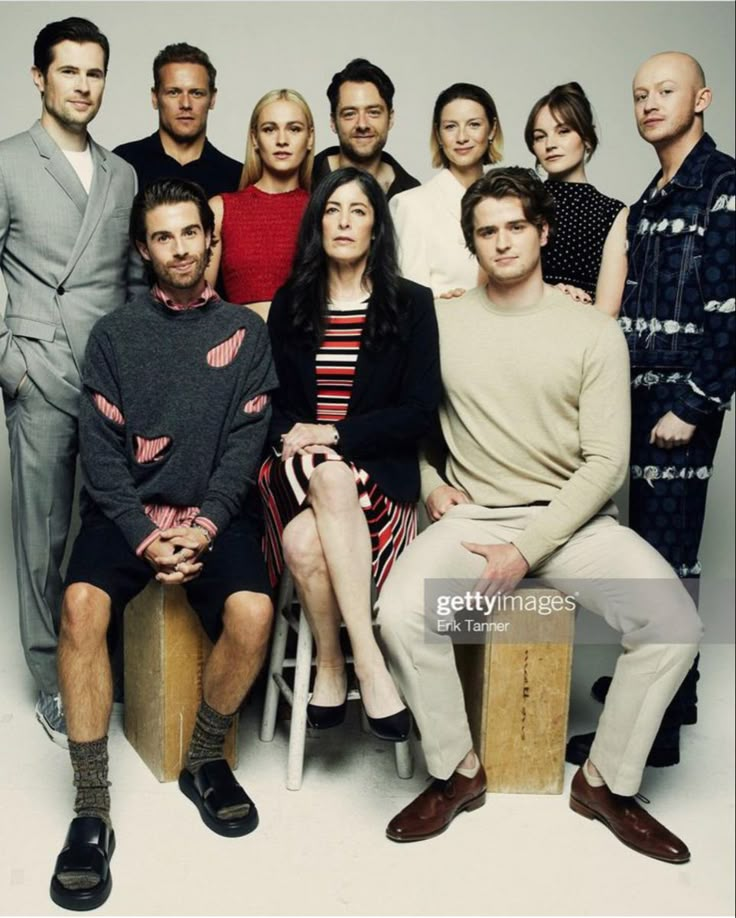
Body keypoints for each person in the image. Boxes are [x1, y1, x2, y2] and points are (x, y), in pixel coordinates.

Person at [377, 167, 702, 863]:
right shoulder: (442, 322)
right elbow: (410, 426)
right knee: (399, 615)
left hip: (572, 522)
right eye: (487, 231)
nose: (502, 242)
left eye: (515, 226)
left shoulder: (592, 332)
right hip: (472, 521)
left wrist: (527, 550)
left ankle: (605, 783)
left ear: (543, 231)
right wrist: (432, 483)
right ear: (472, 242)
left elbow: (606, 463)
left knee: (674, 622)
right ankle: (457, 770)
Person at [49, 178, 276, 911]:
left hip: (215, 513)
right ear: (144, 249)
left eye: (191, 233)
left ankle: (203, 761)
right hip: (129, 516)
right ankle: (91, 808)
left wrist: (206, 526)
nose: (181, 248)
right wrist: (147, 537)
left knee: (253, 614)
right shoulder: (114, 335)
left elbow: (244, 447)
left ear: (211, 239)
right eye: (164, 237)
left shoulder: (246, 330)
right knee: (81, 608)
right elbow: (102, 454)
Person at [567, 52, 735, 770]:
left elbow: (731, 309)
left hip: (678, 402)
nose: (649, 104)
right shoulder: (655, 194)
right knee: (664, 555)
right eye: (639, 95)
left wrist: (695, 405)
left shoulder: (723, 186)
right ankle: (682, 690)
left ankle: (655, 730)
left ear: (701, 98)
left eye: (664, 91)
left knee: (668, 559)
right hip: (635, 395)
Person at [0, 16, 143, 747]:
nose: (83, 86)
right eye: (69, 71)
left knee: (107, 527)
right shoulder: (9, 161)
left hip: (110, 378)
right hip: (39, 370)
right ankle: (53, 681)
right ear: (39, 77)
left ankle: (99, 665)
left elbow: (133, 277)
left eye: (94, 73)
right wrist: (9, 360)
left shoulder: (122, 174)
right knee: (42, 537)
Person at [258, 167, 440, 740]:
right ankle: (371, 660)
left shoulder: (412, 304)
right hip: (295, 470)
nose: (343, 222)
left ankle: (331, 663)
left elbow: (419, 411)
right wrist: (302, 436)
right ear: (317, 224)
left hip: (376, 481)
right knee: (328, 479)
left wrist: (333, 436)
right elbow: (273, 405)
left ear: (376, 229)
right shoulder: (290, 303)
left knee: (303, 539)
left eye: (357, 211)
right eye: (332, 210)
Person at [205, 89, 314, 321]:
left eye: (294, 129)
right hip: (239, 348)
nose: (282, 140)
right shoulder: (221, 209)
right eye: (269, 129)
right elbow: (197, 303)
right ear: (255, 139)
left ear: (310, 138)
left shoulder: (324, 210)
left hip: (306, 349)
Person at [390, 83, 503, 298]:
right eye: (450, 126)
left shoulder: (509, 202)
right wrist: (441, 300)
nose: (462, 137)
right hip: (446, 327)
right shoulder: (412, 206)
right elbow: (411, 301)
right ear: (439, 134)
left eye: (474, 124)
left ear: (492, 129)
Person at [525, 81, 628, 316]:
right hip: (520, 329)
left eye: (563, 131)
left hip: (582, 337)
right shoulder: (522, 201)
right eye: (540, 136)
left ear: (587, 138)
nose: (550, 144)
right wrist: (551, 294)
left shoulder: (611, 212)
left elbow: (608, 311)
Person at [114, 43, 241, 199]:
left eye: (197, 93)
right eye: (173, 93)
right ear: (155, 98)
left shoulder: (237, 178)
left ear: (212, 99)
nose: (186, 104)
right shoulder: (123, 163)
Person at [311, 58, 419, 199]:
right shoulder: (303, 180)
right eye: (350, 114)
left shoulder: (412, 194)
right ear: (333, 121)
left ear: (390, 118)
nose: (362, 125)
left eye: (373, 112)